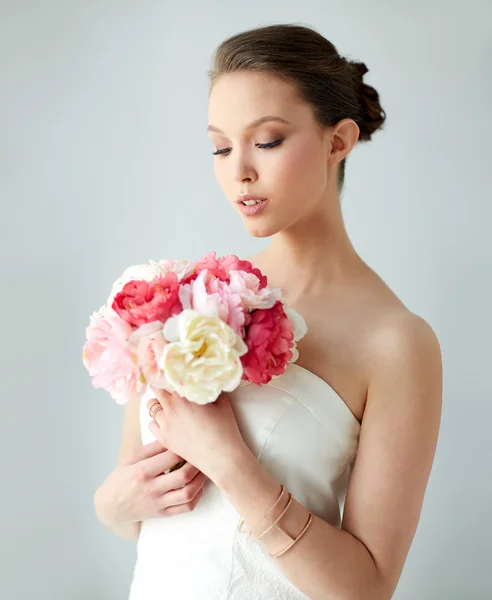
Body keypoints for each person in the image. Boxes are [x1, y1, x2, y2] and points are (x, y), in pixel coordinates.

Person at [94, 23, 442, 600]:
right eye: (221, 146)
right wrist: (110, 502)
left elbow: (367, 589)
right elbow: (141, 513)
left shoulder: (396, 342)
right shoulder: (184, 296)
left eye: (269, 140)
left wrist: (231, 462)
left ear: (339, 140)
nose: (239, 172)